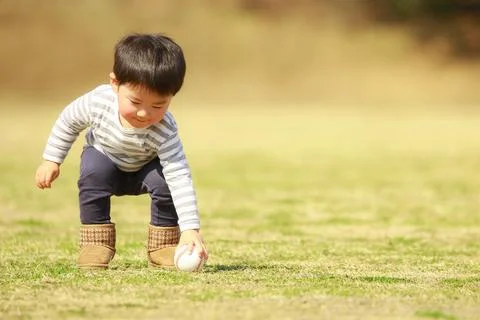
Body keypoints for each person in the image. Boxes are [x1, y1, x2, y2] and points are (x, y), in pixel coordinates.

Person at [35, 33, 208, 270]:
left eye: (158, 105)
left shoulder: (165, 129)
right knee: (93, 171)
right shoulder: (98, 102)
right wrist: (52, 160)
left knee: (165, 180)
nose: (144, 114)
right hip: (105, 159)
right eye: (135, 102)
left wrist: (190, 229)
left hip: (145, 169)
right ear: (115, 84)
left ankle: (163, 245)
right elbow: (68, 121)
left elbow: (179, 175)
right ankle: (96, 243)